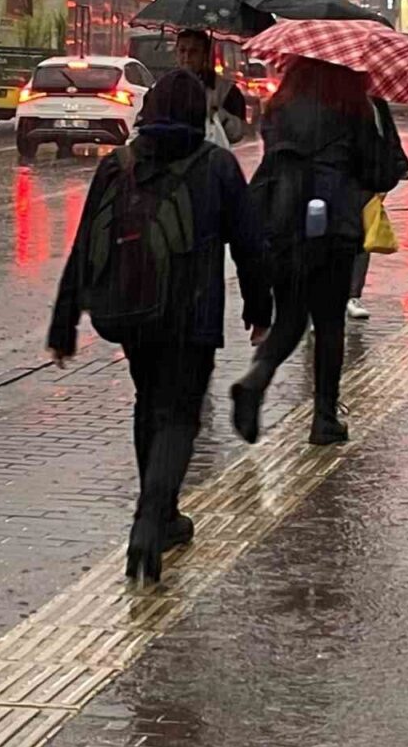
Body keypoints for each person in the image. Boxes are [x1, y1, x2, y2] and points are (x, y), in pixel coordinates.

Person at [47, 70, 270, 583]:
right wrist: (261, 310)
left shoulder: (118, 164)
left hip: (132, 313)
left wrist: (64, 324)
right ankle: (150, 522)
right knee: (179, 417)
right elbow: (250, 245)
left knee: (150, 404)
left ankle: (164, 516)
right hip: (192, 317)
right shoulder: (215, 165)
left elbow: (85, 248)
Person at [230, 58, 402, 447]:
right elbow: (378, 172)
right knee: (328, 323)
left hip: (284, 223)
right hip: (334, 225)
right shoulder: (354, 107)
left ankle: (256, 379)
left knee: (290, 316)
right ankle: (324, 418)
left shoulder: (279, 109)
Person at [347, 97, 408, 320]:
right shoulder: (325, 100)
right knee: (331, 238)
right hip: (331, 179)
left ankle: (352, 295)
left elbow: (388, 136)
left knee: (362, 235)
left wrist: (400, 164)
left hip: (366, 180)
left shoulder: (376, 104)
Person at [175, 29, 246, 145]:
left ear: (204, 55)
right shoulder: (163, 86)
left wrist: (219, 116)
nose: (187, 56)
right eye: (182, 50)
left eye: (194, 51)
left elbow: (237, 133)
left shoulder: (226, 90)